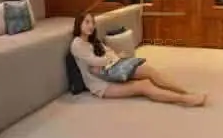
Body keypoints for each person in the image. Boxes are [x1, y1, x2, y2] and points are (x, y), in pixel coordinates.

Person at [70, 13, 207, 106]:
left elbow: (110, 55)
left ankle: (185, 91)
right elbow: (95, 62)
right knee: (144, 85)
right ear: (79, 24)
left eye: (92, 23)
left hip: (113, 71)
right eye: (87, 22)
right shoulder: (77, 44)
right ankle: (185, 99)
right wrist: (109, 58)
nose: (91, 26)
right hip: (101, 85)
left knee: (148, 70)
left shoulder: (94, 41)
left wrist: (110, 58)